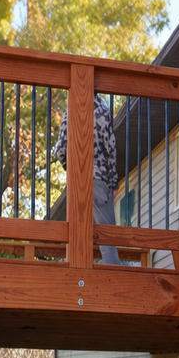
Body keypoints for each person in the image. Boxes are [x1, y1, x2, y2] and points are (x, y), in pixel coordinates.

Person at [53, 95, 131, 266]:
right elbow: (110, 148)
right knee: (107, 242)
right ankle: (113, 284)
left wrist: (72, 167)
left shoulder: (70, 112)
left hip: (76, 182)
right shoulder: (102, 110)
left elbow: (60, 149)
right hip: (99, 180)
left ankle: (72, 279)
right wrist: (114, 183)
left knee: (76, 238)